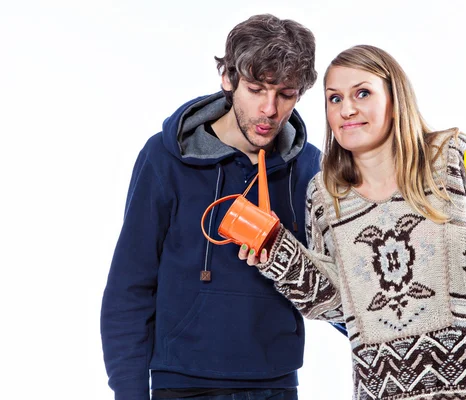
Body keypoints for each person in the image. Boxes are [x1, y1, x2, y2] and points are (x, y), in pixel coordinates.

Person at [240, 44, 466, 400]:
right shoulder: (325, 194)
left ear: (395, 98)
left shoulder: (453, 156)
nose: (346, 109)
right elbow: (338, 304)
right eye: (334, 99)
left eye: (362, 93)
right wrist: (279, 255)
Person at [101, 14, 325, 400]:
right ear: (229, 79)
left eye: (285, 94)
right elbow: (129, 287)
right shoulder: (165, 159)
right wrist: (129, 392)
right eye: (256, 89)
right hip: (182, 382)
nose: (269, 110)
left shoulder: (309, 168)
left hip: (275, 383)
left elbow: (337, 286)